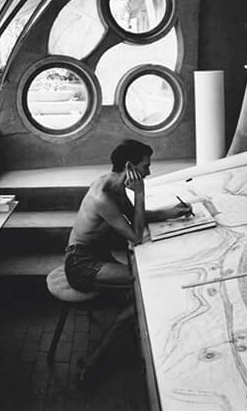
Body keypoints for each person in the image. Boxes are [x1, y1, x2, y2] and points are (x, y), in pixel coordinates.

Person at [64, 140, 191, 380]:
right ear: (130, 166)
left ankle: (133, 328)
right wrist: (140, 193)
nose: (149, 172)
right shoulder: (102, 197)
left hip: (96, 254)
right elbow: (136, 235)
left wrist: (170, 212)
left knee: (142, 295)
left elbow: (134, 217)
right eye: (146, 166)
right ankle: (94, 358)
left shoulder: (113, 182)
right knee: (144, 291)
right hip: (80, 263)